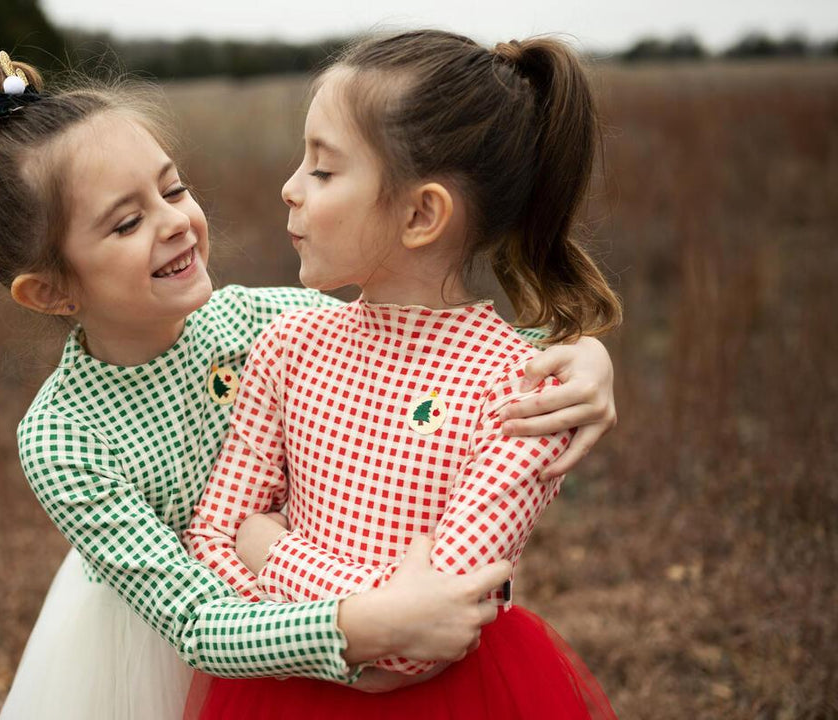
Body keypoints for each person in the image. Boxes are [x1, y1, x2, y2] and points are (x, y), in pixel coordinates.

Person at [0, 50, 618, 720]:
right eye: (127, 221)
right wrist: (364, 622)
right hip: (167, 641)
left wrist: (583, 356)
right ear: (51, 291)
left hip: (295, 600)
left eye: (173, 189)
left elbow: (424, 344)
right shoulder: (64, 438)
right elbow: (197, 620)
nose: (175, 221)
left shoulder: (259, 321)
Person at [184, 30, 621, 719]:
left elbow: (426, 639)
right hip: (278, 692)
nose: (290, 188)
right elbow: (213, 538)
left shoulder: (526, 393)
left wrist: (273, 553)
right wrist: (378, 608)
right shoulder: (288, 345)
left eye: (323, 171)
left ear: (421, 213)